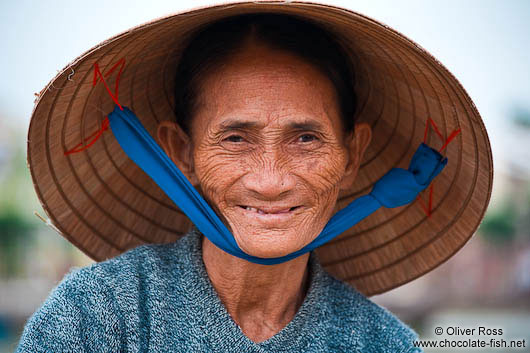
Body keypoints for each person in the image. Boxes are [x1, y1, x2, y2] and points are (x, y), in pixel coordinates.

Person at [17, 2, 493, 352]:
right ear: (181, 152)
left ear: (353, 155)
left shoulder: (383, 345)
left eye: (305, 139)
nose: (270, 182)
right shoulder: (99, 316)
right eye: (235, 139)